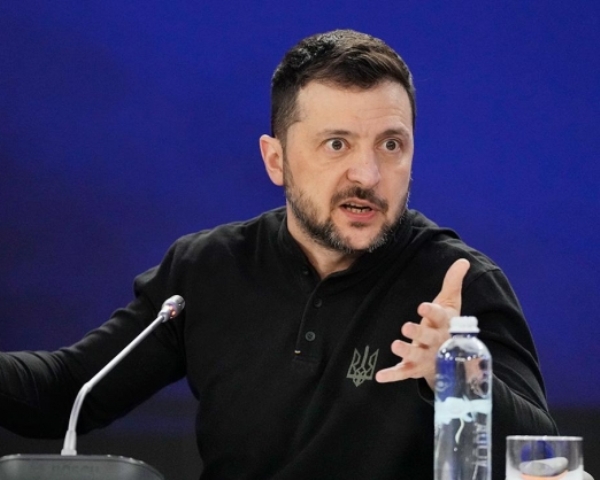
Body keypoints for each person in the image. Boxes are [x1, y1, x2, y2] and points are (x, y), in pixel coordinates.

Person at [0, 29, 557, 479]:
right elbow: (65, 392)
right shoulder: (205, 270)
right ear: (276, 160)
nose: (367, 174)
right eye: (337, 144)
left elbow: (545, 462)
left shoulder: (456, 283)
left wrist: (459, 377)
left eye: (391, 145)